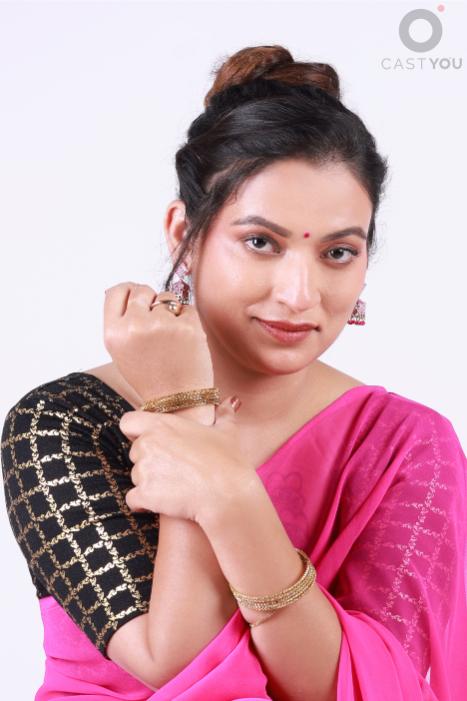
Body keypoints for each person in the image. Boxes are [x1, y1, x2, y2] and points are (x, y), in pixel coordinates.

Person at [1, 44, 466, 701]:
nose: (299, 294)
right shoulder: (60, 422)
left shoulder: (406, 446)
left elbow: (377, 685)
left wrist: (233, 498)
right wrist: (185, 414)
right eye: (260, 242)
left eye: (338, 252)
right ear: (183, 234)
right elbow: (177, 665)